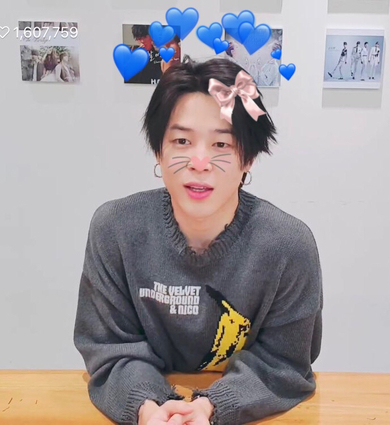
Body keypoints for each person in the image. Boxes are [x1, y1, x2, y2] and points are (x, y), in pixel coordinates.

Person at [73, 55, 324, 425]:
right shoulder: (115, 230)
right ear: (158, 150)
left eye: (222, 144)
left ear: (249, 158)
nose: (200, 161)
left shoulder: (289, 245)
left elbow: (284, 363)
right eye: (181, 140)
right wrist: (150, 408)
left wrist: (210, 407)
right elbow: (110, 349)